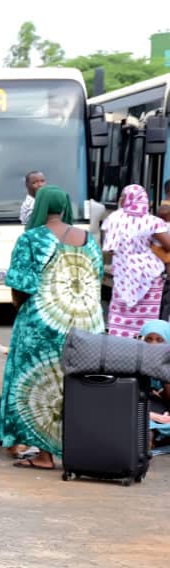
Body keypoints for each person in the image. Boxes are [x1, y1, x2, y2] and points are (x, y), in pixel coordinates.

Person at [0, 186, 104, 471]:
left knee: (40, 384)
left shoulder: (31, 238)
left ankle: (44, 455)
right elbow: (95, 278)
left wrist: (22, 309)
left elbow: (20, 284)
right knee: (77, 386)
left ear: (40, 207)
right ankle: (79, 451)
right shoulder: (88, 239)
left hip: (44, 322)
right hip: (87, 325)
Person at [101, 184, 170, 339]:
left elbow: (109, 248)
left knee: (120, 315)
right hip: (149, 276)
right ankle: (144, 346)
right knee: (146, 319)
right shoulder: (151, 222)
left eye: (123, 196)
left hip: (122, 275)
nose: (121, 199)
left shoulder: (113, 219)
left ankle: (119, 345)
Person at [135, 320, 170, 453]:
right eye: (148, 339)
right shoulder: (133, 361)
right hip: (140, 410)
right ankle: (148, 438)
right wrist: (153, 416)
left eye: (160, 340)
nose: (154, 344)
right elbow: (124, 400)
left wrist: (163, 368)